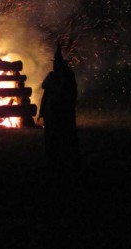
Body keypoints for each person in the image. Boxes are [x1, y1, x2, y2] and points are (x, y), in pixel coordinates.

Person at [39, 42, 81, 175]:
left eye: (55, 63)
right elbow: (44, 89)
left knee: (64, 137)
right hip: (51, 113)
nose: (53, 65)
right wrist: (42, 112)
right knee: (51, 138)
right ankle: (54, 163)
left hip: (62, 112)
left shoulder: (66, 76)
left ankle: (67, 164)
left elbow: (68, 93)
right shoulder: (54, 76)